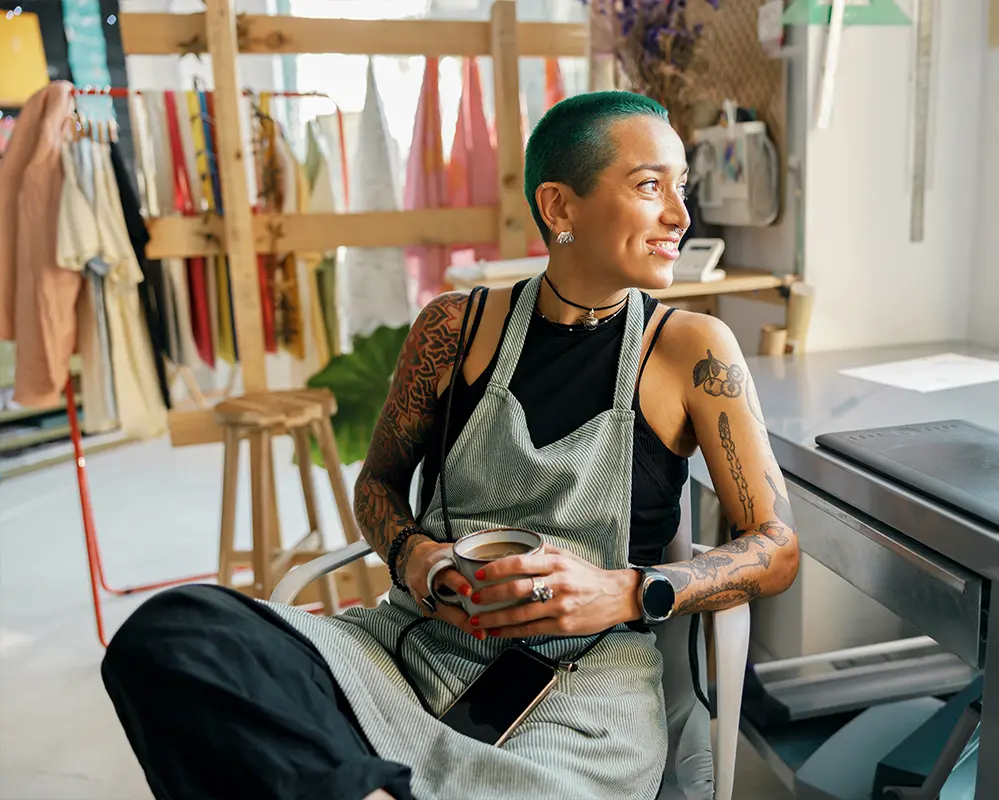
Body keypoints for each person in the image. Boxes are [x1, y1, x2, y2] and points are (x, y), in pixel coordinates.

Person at [101, 91, 800, 800]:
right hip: (409, 650)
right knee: (172, 634)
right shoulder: (454, 331)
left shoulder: (691, 350)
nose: (681, 216)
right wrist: (417, 557)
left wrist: (624, 591)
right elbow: (376, 484)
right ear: (560, 208)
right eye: (651, 186)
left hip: (580, 690)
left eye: (681, 187)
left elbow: (777, 546)